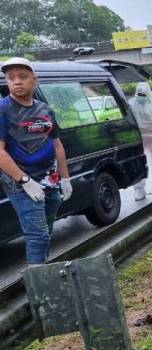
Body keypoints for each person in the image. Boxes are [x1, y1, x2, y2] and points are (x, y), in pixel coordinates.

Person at [0, 57, 72, 265]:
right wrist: (24, 180)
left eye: (23, 77)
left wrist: (65, 178)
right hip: (21, 184)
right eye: (11, 78)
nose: (17, 82)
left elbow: (57, 145)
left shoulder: (44, 110)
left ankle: (43, 275)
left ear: (35, 80)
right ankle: (40, 290)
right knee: (38, 235)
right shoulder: (4, 109)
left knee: (47, 232)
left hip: (49, 180)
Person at [129, 82, 152, 200]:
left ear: (149, 93)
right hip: (137, 138)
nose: (141, 97)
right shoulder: (130, 104)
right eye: (139, 94)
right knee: (138, 164)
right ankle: (139, 190)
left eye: (144, 95)